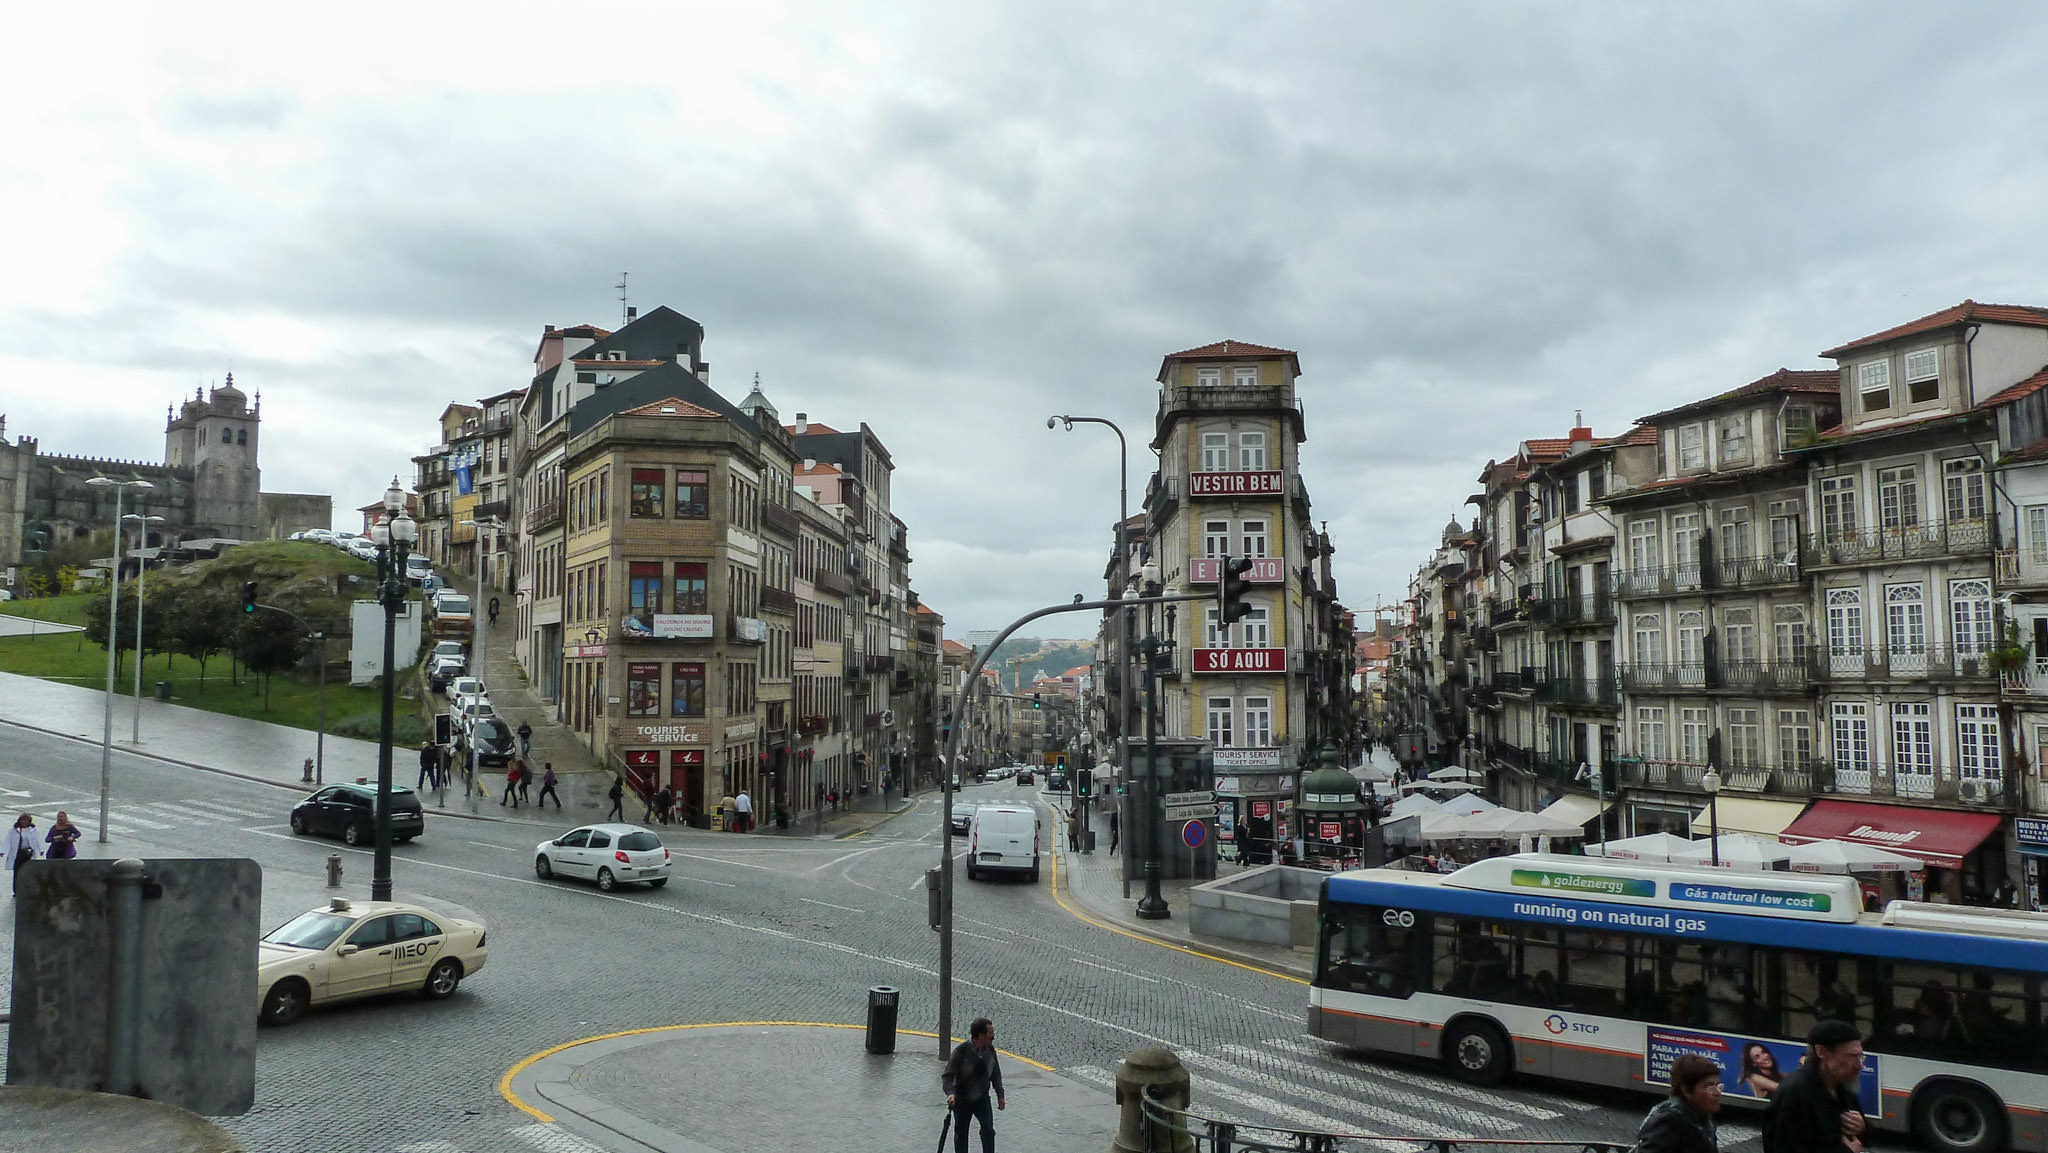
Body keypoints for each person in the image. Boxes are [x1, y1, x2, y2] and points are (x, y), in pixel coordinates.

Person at [1761, 1020, 1868, 1153]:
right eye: (1851, 1056)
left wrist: (1863, 1128)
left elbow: (1860, 1137)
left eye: (1860, 1056)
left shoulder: (1844, 1085)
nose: (1860, 1065)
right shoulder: (1795, 1092)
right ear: (1822, 1052)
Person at [1633, 1053, 1722, 1153]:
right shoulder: (1669, 1121)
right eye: (1710, 1086)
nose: (1718, 1092)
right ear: (1687, 1090)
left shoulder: (1703, 1116)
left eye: (1718, 1085)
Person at [942, 1017, 1006, 1153]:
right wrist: (950, 1093)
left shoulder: (991, 1051)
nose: (993, 1037)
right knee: (961, 1133)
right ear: (980, 1035)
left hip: (982, 1098)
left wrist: (1000, 1095)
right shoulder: (961, 1052)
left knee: (988, 1129)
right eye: (990, 1034)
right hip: (962, 1100)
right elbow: (948, 1076)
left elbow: (996, 1075)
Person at [5, 813, 42, 895]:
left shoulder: (32, 830)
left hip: (28, 853)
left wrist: (40, 850)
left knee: (28, 872)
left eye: (26, 820)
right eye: (22, 820)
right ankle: (16, 890)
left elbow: (37, 841)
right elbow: (7, 841)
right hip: (18, 853)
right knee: (17, 873)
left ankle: (27, 889)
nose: (24, 822)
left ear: (29, 821)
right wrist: (2, 851)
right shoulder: (14, 830)